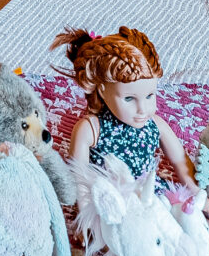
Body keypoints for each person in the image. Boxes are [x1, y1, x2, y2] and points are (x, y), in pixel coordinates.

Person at [56, 26, 196, 189]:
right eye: (129, 98)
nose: (142, 109)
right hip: (109, 197)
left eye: (150, 96)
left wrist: (199, 194)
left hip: (150, 194)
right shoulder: (91, 129)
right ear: (102, 91)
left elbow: (180, 161)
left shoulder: (155, 124)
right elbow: (79, 182)